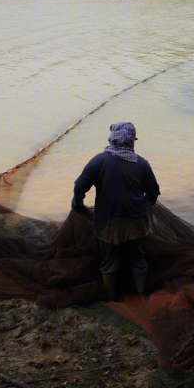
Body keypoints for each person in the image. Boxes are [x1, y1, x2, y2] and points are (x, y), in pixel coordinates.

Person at [72, 122, 160, 300]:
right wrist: (143, 208)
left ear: (113, 138)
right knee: (138, 258)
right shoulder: (141, 163)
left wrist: (78, 203)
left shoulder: (100, 160)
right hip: (137, 222)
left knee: (109, 260)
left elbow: (80, 186)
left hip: (109, 221)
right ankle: (141, 294)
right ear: (131, 141)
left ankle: (111, 298)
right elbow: (153, 192)